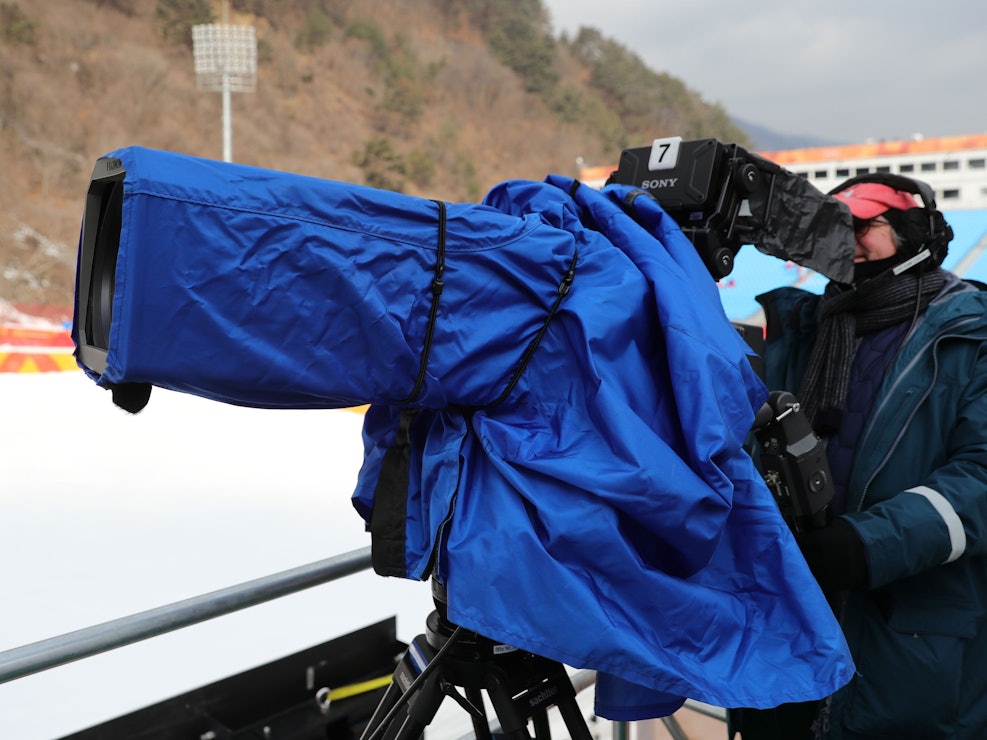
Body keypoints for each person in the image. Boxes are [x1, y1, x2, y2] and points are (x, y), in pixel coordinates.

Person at [730, 175, 987, 739]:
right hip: (790, 628)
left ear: (916, 232)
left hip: (910, 644)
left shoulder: (971, 331)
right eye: (834, 228)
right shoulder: (803, 328)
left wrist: (867, 544)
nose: (845, 242)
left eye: (862, 225)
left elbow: (981, 478)